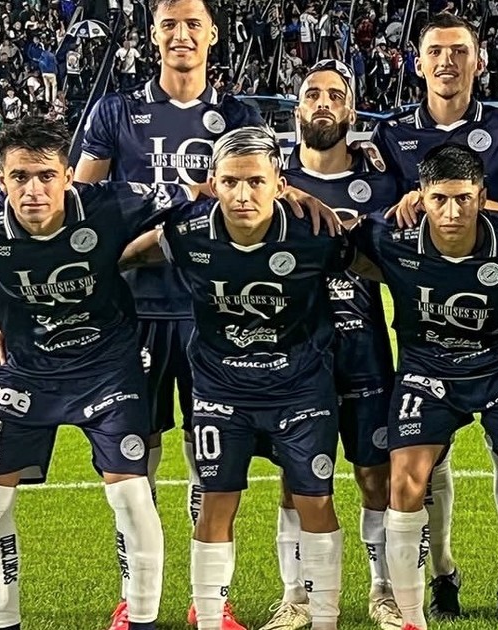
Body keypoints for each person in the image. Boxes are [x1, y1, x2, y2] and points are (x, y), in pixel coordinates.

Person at [0, 117, 191, 630]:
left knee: (131, 494)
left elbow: (193, 198)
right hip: (23, 371)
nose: (34, 190)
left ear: (68, 177)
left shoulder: (111, 203)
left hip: (108, 370)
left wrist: (136, 253)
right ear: (2, 180)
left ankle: (141, 622)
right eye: (20, 177)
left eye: (46, 176)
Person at [74, 1, 262, 626]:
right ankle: (136, 597)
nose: (182, 35)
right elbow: (83, 209)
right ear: (153, 34)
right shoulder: (115, 112)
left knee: (210, 455)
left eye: (193, 24)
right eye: (170, 24)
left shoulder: (240, 117)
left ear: (213, 34)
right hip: (136, 312)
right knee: (137, 459)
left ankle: (210, 603)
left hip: (214, 309)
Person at [121, 126, 350, 630]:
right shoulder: (185, 232)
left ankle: (325, 621)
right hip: (221, 391)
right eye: (229, 182)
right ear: (213, 184)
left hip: (301, 390)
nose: (242, 195)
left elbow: (382, 264)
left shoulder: (316, 235)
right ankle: (209, 620)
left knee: (315, 500)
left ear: (280, 184)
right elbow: (127, 256)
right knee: (216, 503)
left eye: (255, 182)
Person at [369, 11, 498, 619]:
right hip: (425, 333)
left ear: (478, 61)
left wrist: (484, 211)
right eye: (435, 52)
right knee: (424, 464)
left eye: (459, 51)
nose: (447, 62)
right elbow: (371, 227)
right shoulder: (392, 135)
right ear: (417, 62)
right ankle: (441, 570)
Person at [277, 59, 404, 630]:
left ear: (351, 111)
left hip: (364, 350)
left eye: (335, 95)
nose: (323, 103)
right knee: (295, 481)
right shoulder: (271, 180)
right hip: (293, 355)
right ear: (297, 109)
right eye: (312, 94)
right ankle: (296, 597)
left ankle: (383, 590)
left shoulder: (382, 182)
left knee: (375, 476)